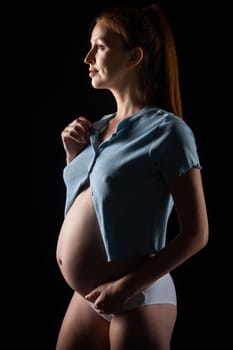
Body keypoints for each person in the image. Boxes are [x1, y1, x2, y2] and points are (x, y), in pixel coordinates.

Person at [55, 4, 209, 350]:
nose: (87, 57)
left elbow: (197, 234)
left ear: (133, 57)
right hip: (92, 295)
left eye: (101, 46)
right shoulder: (97, 129)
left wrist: (125, 287)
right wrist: (73, 156)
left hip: (136, 294)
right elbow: (95, 205)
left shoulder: (168, 131)